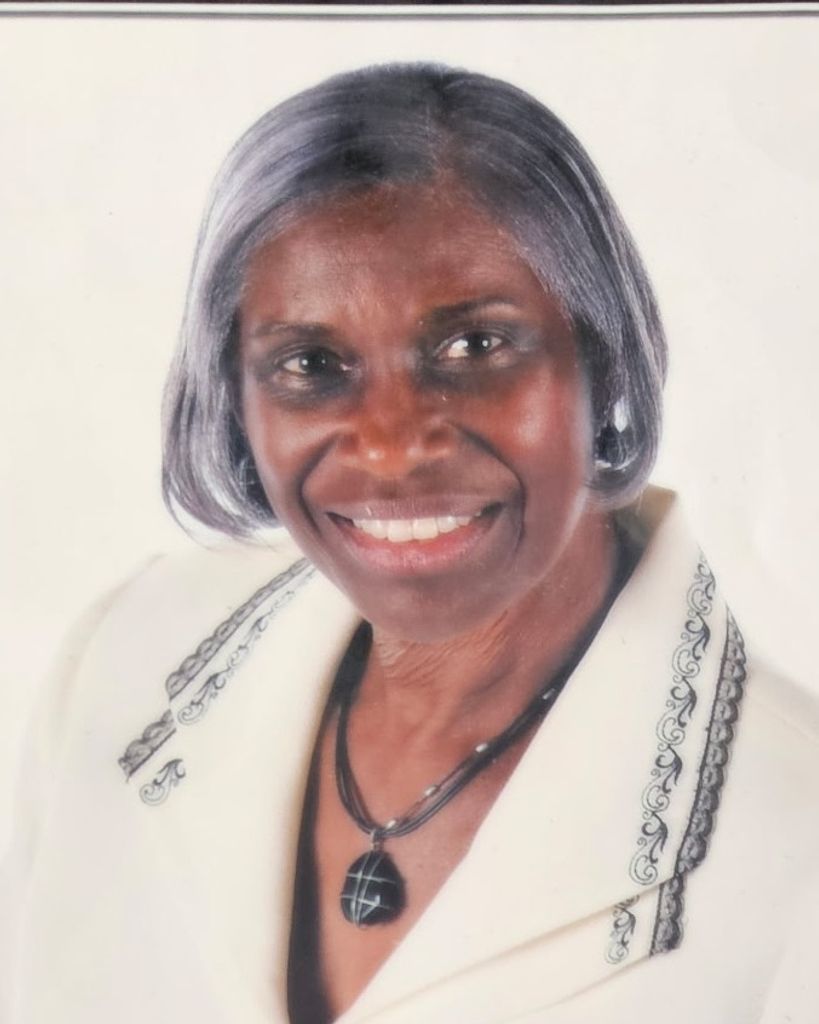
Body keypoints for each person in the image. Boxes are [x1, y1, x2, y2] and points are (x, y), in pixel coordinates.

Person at [5, 63, 819, 1024]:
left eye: (474, 347)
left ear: (602, 360)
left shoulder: (794, 826)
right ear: (234, 398)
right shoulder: (122, 656)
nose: (391, 448)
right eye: (311, 363)